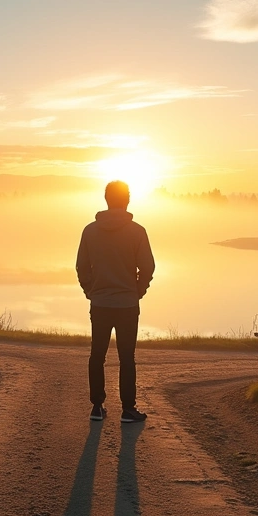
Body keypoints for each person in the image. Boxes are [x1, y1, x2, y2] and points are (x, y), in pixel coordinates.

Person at [75, 180, 155, 424]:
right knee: (126, 357)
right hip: (127, 305)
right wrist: (138, 291)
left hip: (100, 303)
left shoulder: (90, 231)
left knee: (97, 355)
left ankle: (97, 407)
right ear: (127, 200)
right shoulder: (137, 231)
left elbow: (81, 267)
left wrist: (91, 291)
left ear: (106, 199)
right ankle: (128, 409)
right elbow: (148, 267)